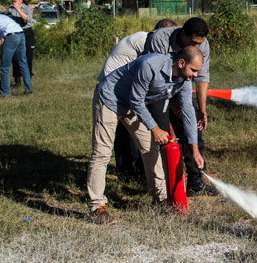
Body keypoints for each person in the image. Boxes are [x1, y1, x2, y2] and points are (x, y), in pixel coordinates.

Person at [86, 46, 205, 224]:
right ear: (181, 63)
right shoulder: (149, 65)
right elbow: (136, 100)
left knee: (151, 149)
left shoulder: (183, 81)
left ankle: (161, 200)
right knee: (102, 153)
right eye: (193, 70)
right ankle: (97, 207)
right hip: (110, 98)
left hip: (131, 104)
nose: (196, 75)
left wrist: (195, 150)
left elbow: (188, 113)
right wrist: (155, 129)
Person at [99, 19, 177, 182]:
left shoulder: (165, 47)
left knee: (151, 122)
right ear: (158, 33)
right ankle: (126, 170)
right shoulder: (143, 41)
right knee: (125, 129)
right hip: (114, 88)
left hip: (134, 86)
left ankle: (147, 171)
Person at [144, 17, 214, 196]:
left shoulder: (202, 46)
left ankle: (195, 181)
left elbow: (201, 78)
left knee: (192, 130)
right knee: (162, 137)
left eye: (199, 43)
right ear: (182, 33)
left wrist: (202, 109)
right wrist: (174, 104)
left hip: (181, 87)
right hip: (155, 91)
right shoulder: (158, 39)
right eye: (192, 42)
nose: (196, 47)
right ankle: (162, 185)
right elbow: (156, 79)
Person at [6, 0, 35, 88]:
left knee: (28, 57)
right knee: (15, 58)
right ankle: (17, 79)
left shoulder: (27, 9)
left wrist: (18, 10)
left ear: (20, 0)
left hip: (27, 33)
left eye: (15, 1)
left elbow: (28, 19)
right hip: (15, 33)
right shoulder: (10, 9)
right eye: (12, 1)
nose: (13, 3)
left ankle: (28, 79)